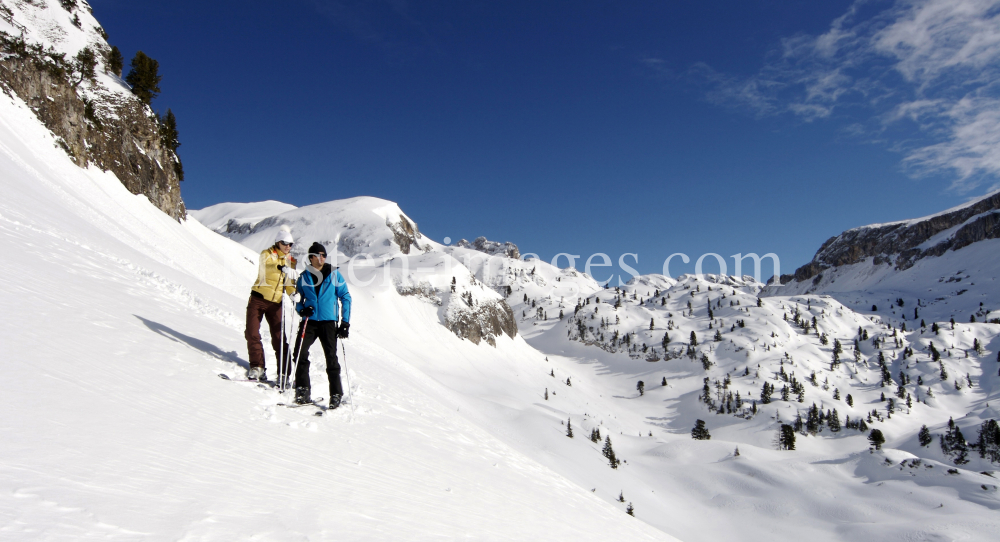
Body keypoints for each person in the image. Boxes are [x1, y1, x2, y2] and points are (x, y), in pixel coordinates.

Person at [292, 242, 352, 408]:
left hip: (328, 322)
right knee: (299, 353)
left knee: (331, 358)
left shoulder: (334, 274)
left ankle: (336, 394)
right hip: (309, 322)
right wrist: (302, 310)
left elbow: (345, 297)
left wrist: (345, 322)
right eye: (319, 255)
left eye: (324, 255)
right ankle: (302, 389)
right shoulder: (304, 276)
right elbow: (297, 299)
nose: (322, 258)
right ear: (311, 257)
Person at [244, 225, 298, 382]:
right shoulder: (267, 254)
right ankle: (257, 367)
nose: (288, 247)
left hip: (276, 303)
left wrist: (292, 293)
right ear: (277, 242)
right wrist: (282, 268)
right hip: (258, 298)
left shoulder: (291, 261)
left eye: (290, 244)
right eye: (285, 243)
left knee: (279, 338)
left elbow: (288, 283)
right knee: (252, 332)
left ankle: (284, 374)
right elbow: (267, 267)